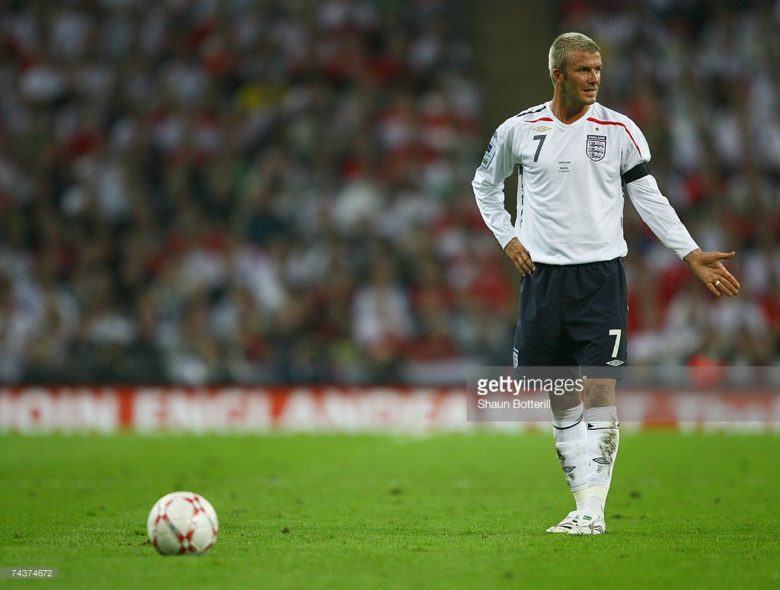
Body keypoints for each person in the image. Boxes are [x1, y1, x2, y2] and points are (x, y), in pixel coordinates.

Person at [471, 32, 740, 535]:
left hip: (600, 278)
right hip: (542, 278)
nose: (595, 78)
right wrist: (507, 238)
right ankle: (583, 505)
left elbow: (650, 197)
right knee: (559, 396)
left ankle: (593, 511)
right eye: (583, 70)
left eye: (598, 69)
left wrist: (690, 252)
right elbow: (484, 183)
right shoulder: (519, 129)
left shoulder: (619, 130)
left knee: (600, 390)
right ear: (558, 75)